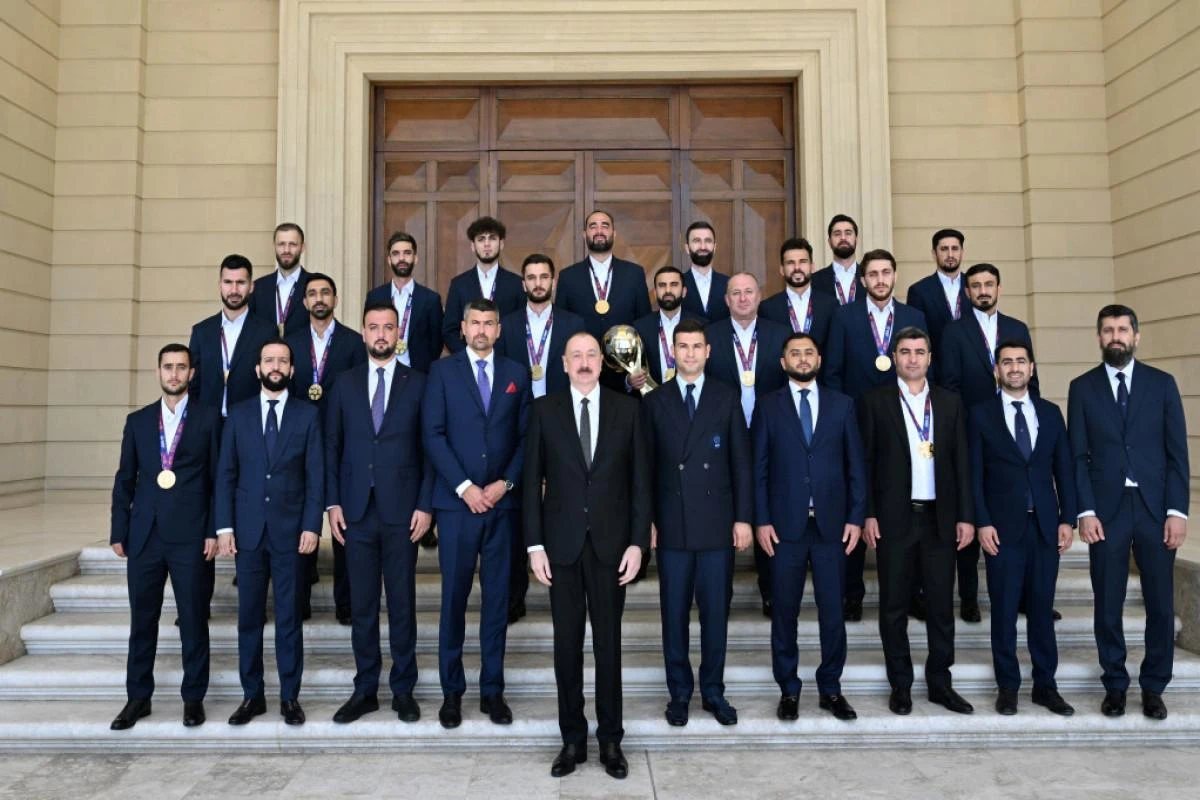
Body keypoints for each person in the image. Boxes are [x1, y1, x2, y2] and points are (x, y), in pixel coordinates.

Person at [523, 331, 651, 780]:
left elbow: (641, 483)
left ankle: (611, 740)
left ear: (602, 362)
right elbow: (531, 482)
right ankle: (572, 739)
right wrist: (534, 545)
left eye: (591, 355)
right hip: (560, 548)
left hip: (612, 548)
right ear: (563, 363)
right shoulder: (544, 410)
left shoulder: (627, 410)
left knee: (608, 646)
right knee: (566, 647)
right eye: (575, 355)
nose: (583, 362)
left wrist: (638, 543)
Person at [1068, 304, 1189, 720]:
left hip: (1155, 510)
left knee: (1160, 604)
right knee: (1108, 602)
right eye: (1108, 330)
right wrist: (1085, 511)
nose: (1115, 336)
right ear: (1099, 337)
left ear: (1136, 336)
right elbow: (1078, 456)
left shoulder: (1162, 384)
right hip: (1106, 511)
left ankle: (1154, 686)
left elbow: (1177, 454)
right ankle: (1115, 684)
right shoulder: (1082, 388)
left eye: (1122, 330)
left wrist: (1177, 511)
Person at [324, 300, 434, 724]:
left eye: (388, 327)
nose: (381, 334)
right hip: (355, 511)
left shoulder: (418, 382)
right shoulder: (344, 382)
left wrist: (425, 505)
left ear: (398, 332)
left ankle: (403, 689)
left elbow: (429, 450)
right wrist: (332, 502)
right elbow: (331, 446)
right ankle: (365, 689)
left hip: (403, 511)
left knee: (402, 604)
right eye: (374, 327)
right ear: (364, 333)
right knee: (363, 605)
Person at [423, 299, 531, 728]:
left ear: (499, 329)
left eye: (489, 322)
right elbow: (433, 434)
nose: (482, 330)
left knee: (497, 602)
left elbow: (526, 438)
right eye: (475, 323)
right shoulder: (441, 372)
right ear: (463, 329)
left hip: (502, 507)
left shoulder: (517, 373)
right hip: (457, 507)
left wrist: (505, 484)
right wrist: (465, 487)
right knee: (454, 600)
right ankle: (452, 693)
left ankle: (492, 691)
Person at [858, 327, 975, 716]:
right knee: (893, 607)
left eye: (919, 352)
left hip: (940, 519)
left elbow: (961, 464)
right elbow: (865, 464)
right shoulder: (874, 401)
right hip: (894, 519)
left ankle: (940, 682)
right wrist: (868, 513)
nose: (912, 358)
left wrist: (966, 516)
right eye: (905, 351)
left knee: (941, 607)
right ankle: (901, 684)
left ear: (930, 358)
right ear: (894, 357)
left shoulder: (949, 402)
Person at [642, 319, 752, 726]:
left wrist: (743, 518)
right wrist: (647, 521)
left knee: (714, 615)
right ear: (672, 352)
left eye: (696, 346)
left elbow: (741, 462)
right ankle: (679, 694)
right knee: (674, 615)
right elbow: (646, 469)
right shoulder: (655, 400)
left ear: (708, 352)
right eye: (682, 346)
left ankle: (713, 691)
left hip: (716, 523)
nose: (689, 353)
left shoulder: (726, 396)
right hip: (672, 524)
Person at [753, 332, 865, 722]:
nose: (802, 359)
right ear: (783, 362)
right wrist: (761, 520)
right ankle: (788, 689)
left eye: (809, 353)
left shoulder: (842, 404)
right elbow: (759, 469)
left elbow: (856, 466)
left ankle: (830, 688)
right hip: (784, 529)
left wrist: (856, 517)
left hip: (832, 527)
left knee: (832, 613)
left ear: (819, 359)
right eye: (795, 353)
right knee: (784, 613)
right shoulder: (768, 405)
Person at [108, 344, 221, 730]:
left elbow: (217, 480)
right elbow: (125, 479)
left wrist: (214, 530)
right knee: (143, 621)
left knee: (193, 620)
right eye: (168, 367)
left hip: (192, 536)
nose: (174, 374)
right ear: (158, 372)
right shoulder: (138, 421)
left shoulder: (209, 418)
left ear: (192, 373)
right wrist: (119, 529)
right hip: (145, 537)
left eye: (181, 367)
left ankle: (193, 698)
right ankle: (138, 697)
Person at [215, 339, 324, 727]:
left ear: (292, 370)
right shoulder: (238, 414)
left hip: (291, 533)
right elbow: (226, 475)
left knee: (289, 619)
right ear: (257, 369)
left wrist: (312, 525)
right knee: (249, 618)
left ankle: (289, 697)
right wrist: (224, 527)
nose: (275, 366)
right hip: (248, 533)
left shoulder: (308, 415)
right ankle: (252, 695)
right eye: (268, 360)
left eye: (282, 361)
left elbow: (315, 476)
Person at [969, 339, 1076, 716]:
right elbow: (974, 476)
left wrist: (1068, 519)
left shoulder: (1050, 413)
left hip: (1045, 526)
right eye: (1006, 362)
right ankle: (1008, 686)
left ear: (1031, 368)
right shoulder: (980, 415)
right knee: (1003, 610)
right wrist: (982, 522)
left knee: (1042, 609)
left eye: (1020, 361)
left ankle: (1045, 686)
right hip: (1001, 530)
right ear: (996, 370)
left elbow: (1064, 470)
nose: (1014, 367)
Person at [822, 249, 927, 621]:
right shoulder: (844, 316)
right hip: (856, 423)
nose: (880, 280)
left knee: (904, 510)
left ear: (894, 276)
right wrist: (840, 420)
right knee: (855, 504)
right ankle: (852, 594)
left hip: (905, 424)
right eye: (873, 274)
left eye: (886, 272)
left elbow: (922, 368)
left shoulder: (914, 316)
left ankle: (912, 592)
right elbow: (832, 372)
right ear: (862, 279)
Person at [938, 262, 1039, 623]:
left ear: (999, 288)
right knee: (971, 509)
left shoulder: (1017, 328)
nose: (983, 290)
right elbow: (949, 386)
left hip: (1016, 437)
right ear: (966, 292)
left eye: (989, 284)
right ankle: (969, 597)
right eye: (976, 285)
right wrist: (968, 425)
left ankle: (1026, 596)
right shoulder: (954, 332)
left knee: (1017, 516)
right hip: (972, 432)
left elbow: (1031, 379)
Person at [495, 253, 585, 624]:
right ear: (523, 284)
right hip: (517, 427)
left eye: (543, 276)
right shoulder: (507, 325)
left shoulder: (574, 323)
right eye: (530, 277)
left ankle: (570, 596)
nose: (537, 283)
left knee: (566, 507)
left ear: (553, 281)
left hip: (564, 425)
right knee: (519, 512)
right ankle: (514, 598)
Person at [703, 272, 789, 615]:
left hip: (772, 438)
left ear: (759, 296)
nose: (742, 298)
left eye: (748, 292)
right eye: (735, 293)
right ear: (726, 300)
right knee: (723, 515)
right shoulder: (709, 336)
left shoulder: (780, 335)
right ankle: (718, 595)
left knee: (770, 515)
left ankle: (771, 592)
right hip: (723, 440)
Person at [285, 272, 366, 623]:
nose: (319, 298)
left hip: (341, 443)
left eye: (325, 293)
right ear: (304, 302)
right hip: (299, 444)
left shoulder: (353, 342)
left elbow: (361, 393)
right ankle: (299, 601)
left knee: (343, 525)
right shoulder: (290, 342)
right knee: (299, 524)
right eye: (313, 293)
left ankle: (346, 605)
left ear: (335, 299)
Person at [188, 254, 277, 418]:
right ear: (220, 285)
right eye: (228, 282)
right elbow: (193, 384)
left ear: (251, 286)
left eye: (241, 283)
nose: (234, 290)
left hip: (249, 422)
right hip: (208, 424)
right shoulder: (201, 332)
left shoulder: (267, 332)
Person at [554, 209, 651, 350]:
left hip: (624, 359)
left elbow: (644, 322)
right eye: (593, 226)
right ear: (584, 234)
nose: (599, 231)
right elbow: (561, 324)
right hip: (583, 358)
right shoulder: (567, 277)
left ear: (614, 234)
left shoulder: (635, 274)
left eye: (605, 226)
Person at [363, 230, 445, 374]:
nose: (401, 258)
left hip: (418, 375)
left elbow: (436, 343)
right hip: (382, 372)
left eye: (407, 253)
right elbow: (369, 334)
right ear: (389, 260)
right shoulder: (374, 296)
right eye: (396, 254)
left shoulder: (431, 299)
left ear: (415, 258)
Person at [441, 216, 524, 353]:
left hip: (505, 360)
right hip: (468, 361)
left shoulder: (516, 284)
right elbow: (449, 331)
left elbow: (521, 328)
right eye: (481, 239)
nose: (487, 244)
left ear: (501, 244)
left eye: (492, 238)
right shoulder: (458, 284)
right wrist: (468, 357)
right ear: (473, 246)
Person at [630, 265, 706, 390]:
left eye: (674, 285)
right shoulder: (639, 327)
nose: (668, 290)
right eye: (662, 285)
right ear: (655, 293)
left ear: (684, 291)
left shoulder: (702, 326)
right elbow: (632, 369)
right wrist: (629, 381)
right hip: (652, 399)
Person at [759, 236, 838, 348]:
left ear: (812, 267)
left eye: (803, 262)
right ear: (782, 269)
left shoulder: (831, 305)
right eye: (790, 263)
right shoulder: (767, 308)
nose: (797, 267)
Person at [905, 228, 969, 355]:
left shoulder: (975, 286)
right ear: (934, 254)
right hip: (936, 364)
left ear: (962, 252)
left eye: (955, 249)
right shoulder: (919, 291)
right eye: (944, 249)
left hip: (971, 364)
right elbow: (916, 336)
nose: (950, 255)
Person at [250, 222, 310, 337]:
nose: (286, 250)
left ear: (302, 247)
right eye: (281, 244)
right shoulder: (258, 287)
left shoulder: (313, 285)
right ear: (274, 247)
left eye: (292, 244)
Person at [680, 221, 730, 322]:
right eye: (696, 241)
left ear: (714, 247)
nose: (703, 247)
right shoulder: (677, 284)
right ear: (687, 248)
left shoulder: (729, 283)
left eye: (708, 241)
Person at [810, 214, 860, 305]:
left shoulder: (870, 276)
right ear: (829, 242)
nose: (843, 238)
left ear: (856, 240)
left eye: (848, 233)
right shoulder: (814, 281)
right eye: (837, 234)